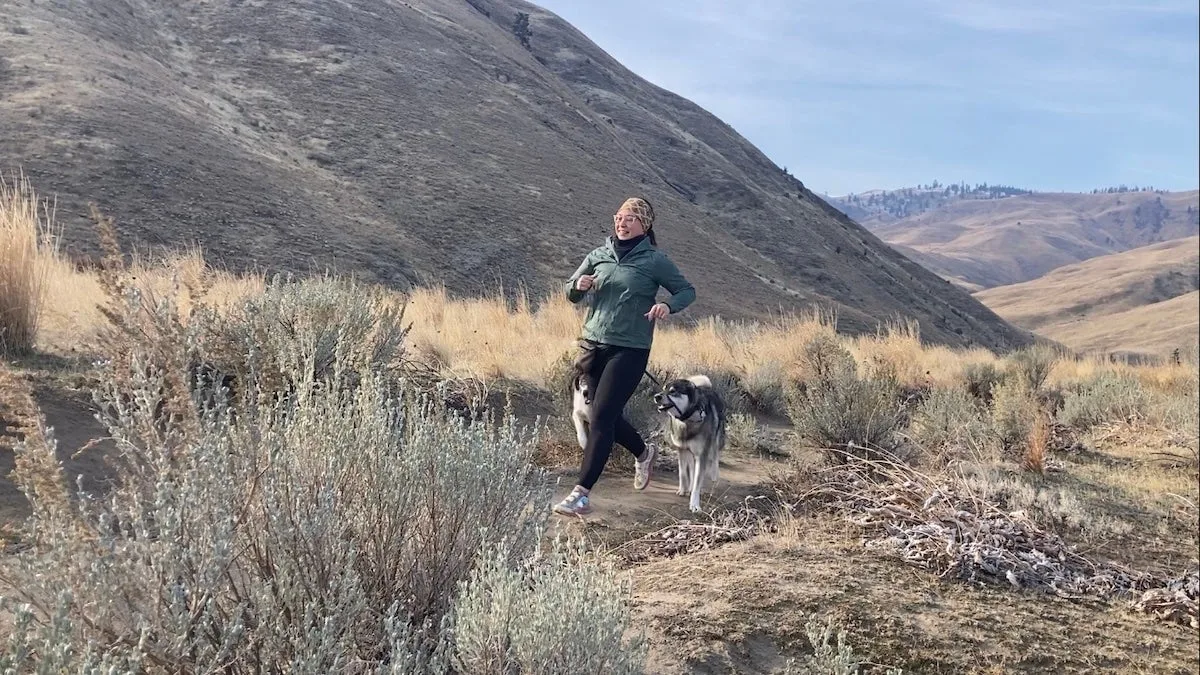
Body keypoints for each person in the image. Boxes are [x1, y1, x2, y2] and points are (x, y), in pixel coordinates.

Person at [552, 197, 696, 516]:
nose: (622, 222)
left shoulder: (655, 260)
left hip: (630, 348)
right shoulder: (598, 255)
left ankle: (581, 494)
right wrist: (579, 285)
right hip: (593, 345)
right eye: (619, 216)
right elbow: (570, 292)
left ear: (644, 225)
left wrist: (667, 306)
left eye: (630, 218)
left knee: (602, 417)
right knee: (602, 415)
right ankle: (644, 453)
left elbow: (687, 291)